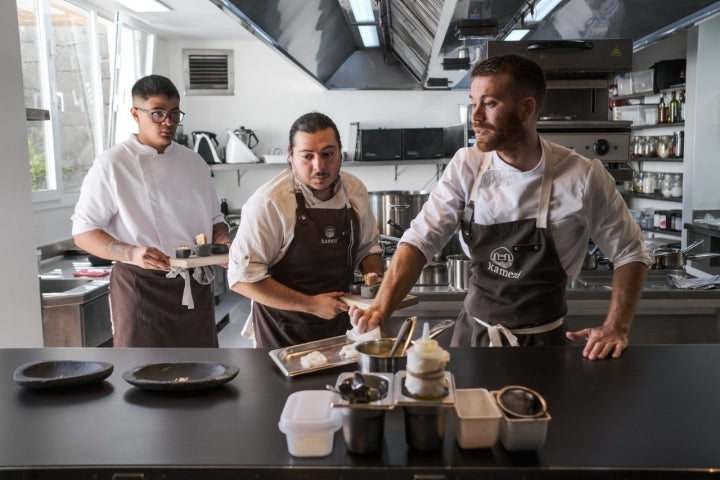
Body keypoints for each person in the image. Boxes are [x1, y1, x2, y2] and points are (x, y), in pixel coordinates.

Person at [350, 55, 653, 360]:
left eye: (490, 103)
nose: (475, 117)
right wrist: (381, 306)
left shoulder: (582, 176)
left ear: (526, 108)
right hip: (474, 338)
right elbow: (420, 239)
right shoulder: (467, 165)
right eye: (474, 103)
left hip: (545, 346)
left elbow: (630, 252)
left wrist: (616, 326)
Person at [72, 74, 229, 348]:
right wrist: (132, 253)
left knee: (203, 369)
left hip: (194, 283)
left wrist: (222, 241)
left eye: (174, 113)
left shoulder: (194, 162)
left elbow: (216, 219)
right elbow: (83, 233)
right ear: (136, 113)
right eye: (157, 113)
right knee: (142, 373)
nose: (168, 122)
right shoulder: (112, 163)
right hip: (140, 286)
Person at [227, 112, 383, 349]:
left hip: (342, 328)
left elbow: (368, 247)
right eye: (307, 156)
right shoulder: (270, 202)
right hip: (282, 333)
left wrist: (374, 287)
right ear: (291, 155)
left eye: (328, 154)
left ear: (341, 152)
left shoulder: (354, 191)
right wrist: (311, 305)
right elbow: (242, 279)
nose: (319, 166)